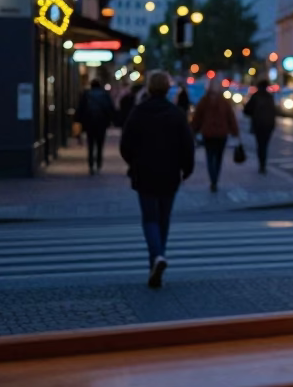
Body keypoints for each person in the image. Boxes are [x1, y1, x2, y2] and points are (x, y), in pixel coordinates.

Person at [119, 70, 194, 288]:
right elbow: (187, 145)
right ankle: (158, 257)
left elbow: (125, 144)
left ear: (149, 88)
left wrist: (133, 162)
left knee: (150, 218)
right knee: (164, 218)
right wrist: (186, 169)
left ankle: (156, 257)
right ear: (168, 88)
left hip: (144, 172)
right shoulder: (176, 113)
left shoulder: (138, 112)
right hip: (170, 173)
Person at [191, 81, 239, 192]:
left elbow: (197, 118)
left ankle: (213, 179)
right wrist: (234, 132)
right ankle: (215, 179)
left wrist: (193, 130)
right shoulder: (224, 102)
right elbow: (231, 118)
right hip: (221, 134)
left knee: (210, 156)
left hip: (208, 133)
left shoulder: (204, 101)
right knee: (218, 158)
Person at [74, 79, 116, 174]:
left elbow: (81, 108)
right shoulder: (105, 95)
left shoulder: (87, 95)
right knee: (100, 144)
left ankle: (91, 163)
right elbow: (110, 108)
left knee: (90, 143)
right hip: (101, 123)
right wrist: (112, 120)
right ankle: (99, 162)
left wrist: (78, 120)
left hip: (89, 122)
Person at [243, 80, 277, 175]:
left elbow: (247, 110)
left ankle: (262, 164)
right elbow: (273, 111)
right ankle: (263, 164)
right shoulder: (269, 97)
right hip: (268, 125)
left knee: (260, 145)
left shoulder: (256, 97)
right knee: (264, 145)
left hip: (258, 124)